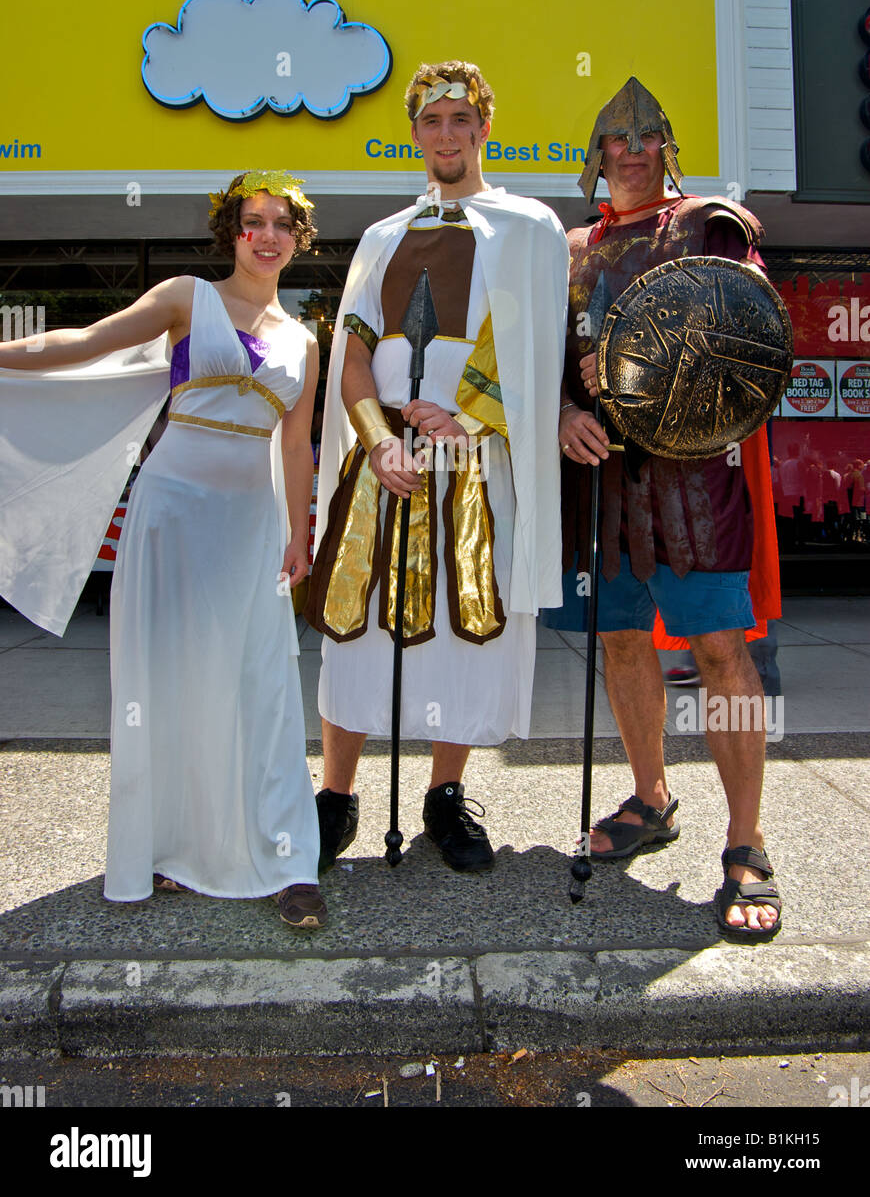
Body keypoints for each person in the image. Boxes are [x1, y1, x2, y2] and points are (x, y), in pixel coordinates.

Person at [0, 171, 325, 927]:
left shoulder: (304, 340)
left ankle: (286, 859)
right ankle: (170, 849)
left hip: (250, 522)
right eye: (253, 223)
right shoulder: (187, 297)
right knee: (167, 678)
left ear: (297, 239)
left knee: (263, 685)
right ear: (232, 233)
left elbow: (298, 444)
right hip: (171, 512)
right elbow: (84, 342)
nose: (268, 236)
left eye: (282, 224)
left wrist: (299, 531)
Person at [306, 60, 569, 872]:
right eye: (432, 121)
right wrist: (374, 437)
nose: (447, 134)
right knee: (357, 626)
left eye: (462, 119)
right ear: (415, 133)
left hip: (474, 461)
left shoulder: (530, 227)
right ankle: (336, 796)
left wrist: (467, 415)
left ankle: (444, 798)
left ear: (486, 126)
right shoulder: (384, 237)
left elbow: (537, 347)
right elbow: (350, 352)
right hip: (382, 460)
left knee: (466, 627)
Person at [557, 77, 783, 940]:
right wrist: (565, 413)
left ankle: (747, 841)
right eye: (616, 138)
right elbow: (545, 364)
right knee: (619, 640)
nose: (632, 148)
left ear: (668, 148)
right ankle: (651, 799)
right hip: (606, 479)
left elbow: (747, 338)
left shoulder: (708, 226)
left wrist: (633, 367)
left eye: (648, 135)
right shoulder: (572, 250)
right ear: (596, 154)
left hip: (695, 479)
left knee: (721, 650)